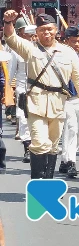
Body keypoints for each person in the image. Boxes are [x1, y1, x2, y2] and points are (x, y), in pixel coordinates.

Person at [3, 11, 79, 179]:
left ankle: (48, 180)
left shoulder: (68, 52)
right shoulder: (30, 48)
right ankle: (37, 182)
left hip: (58, 103)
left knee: (52, 145)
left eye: (50, 29)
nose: (47, 33)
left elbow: (78, 77)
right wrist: (8, 22)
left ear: (56, 30)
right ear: (36, 32)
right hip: (36, 102)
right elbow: (12, 39)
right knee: (38, 143)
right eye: (42, 29)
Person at [57, 27, 79, 178]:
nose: (77, 44)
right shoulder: (58, 56)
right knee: (71, 128)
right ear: (65, 41)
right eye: (74, 41)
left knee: (77, 132)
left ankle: (65, 159)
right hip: (65, 98)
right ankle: (71, 162)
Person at [7, 18, 33, 163]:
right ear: (22, 35)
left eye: (34, 35)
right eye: (29, 35)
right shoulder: (16, 52)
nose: (32, 37)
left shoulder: (43, 50)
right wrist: (8, 92)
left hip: (41, 90)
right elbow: (10, 73)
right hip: (23, 89)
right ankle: (27, 148)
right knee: (23, 118)